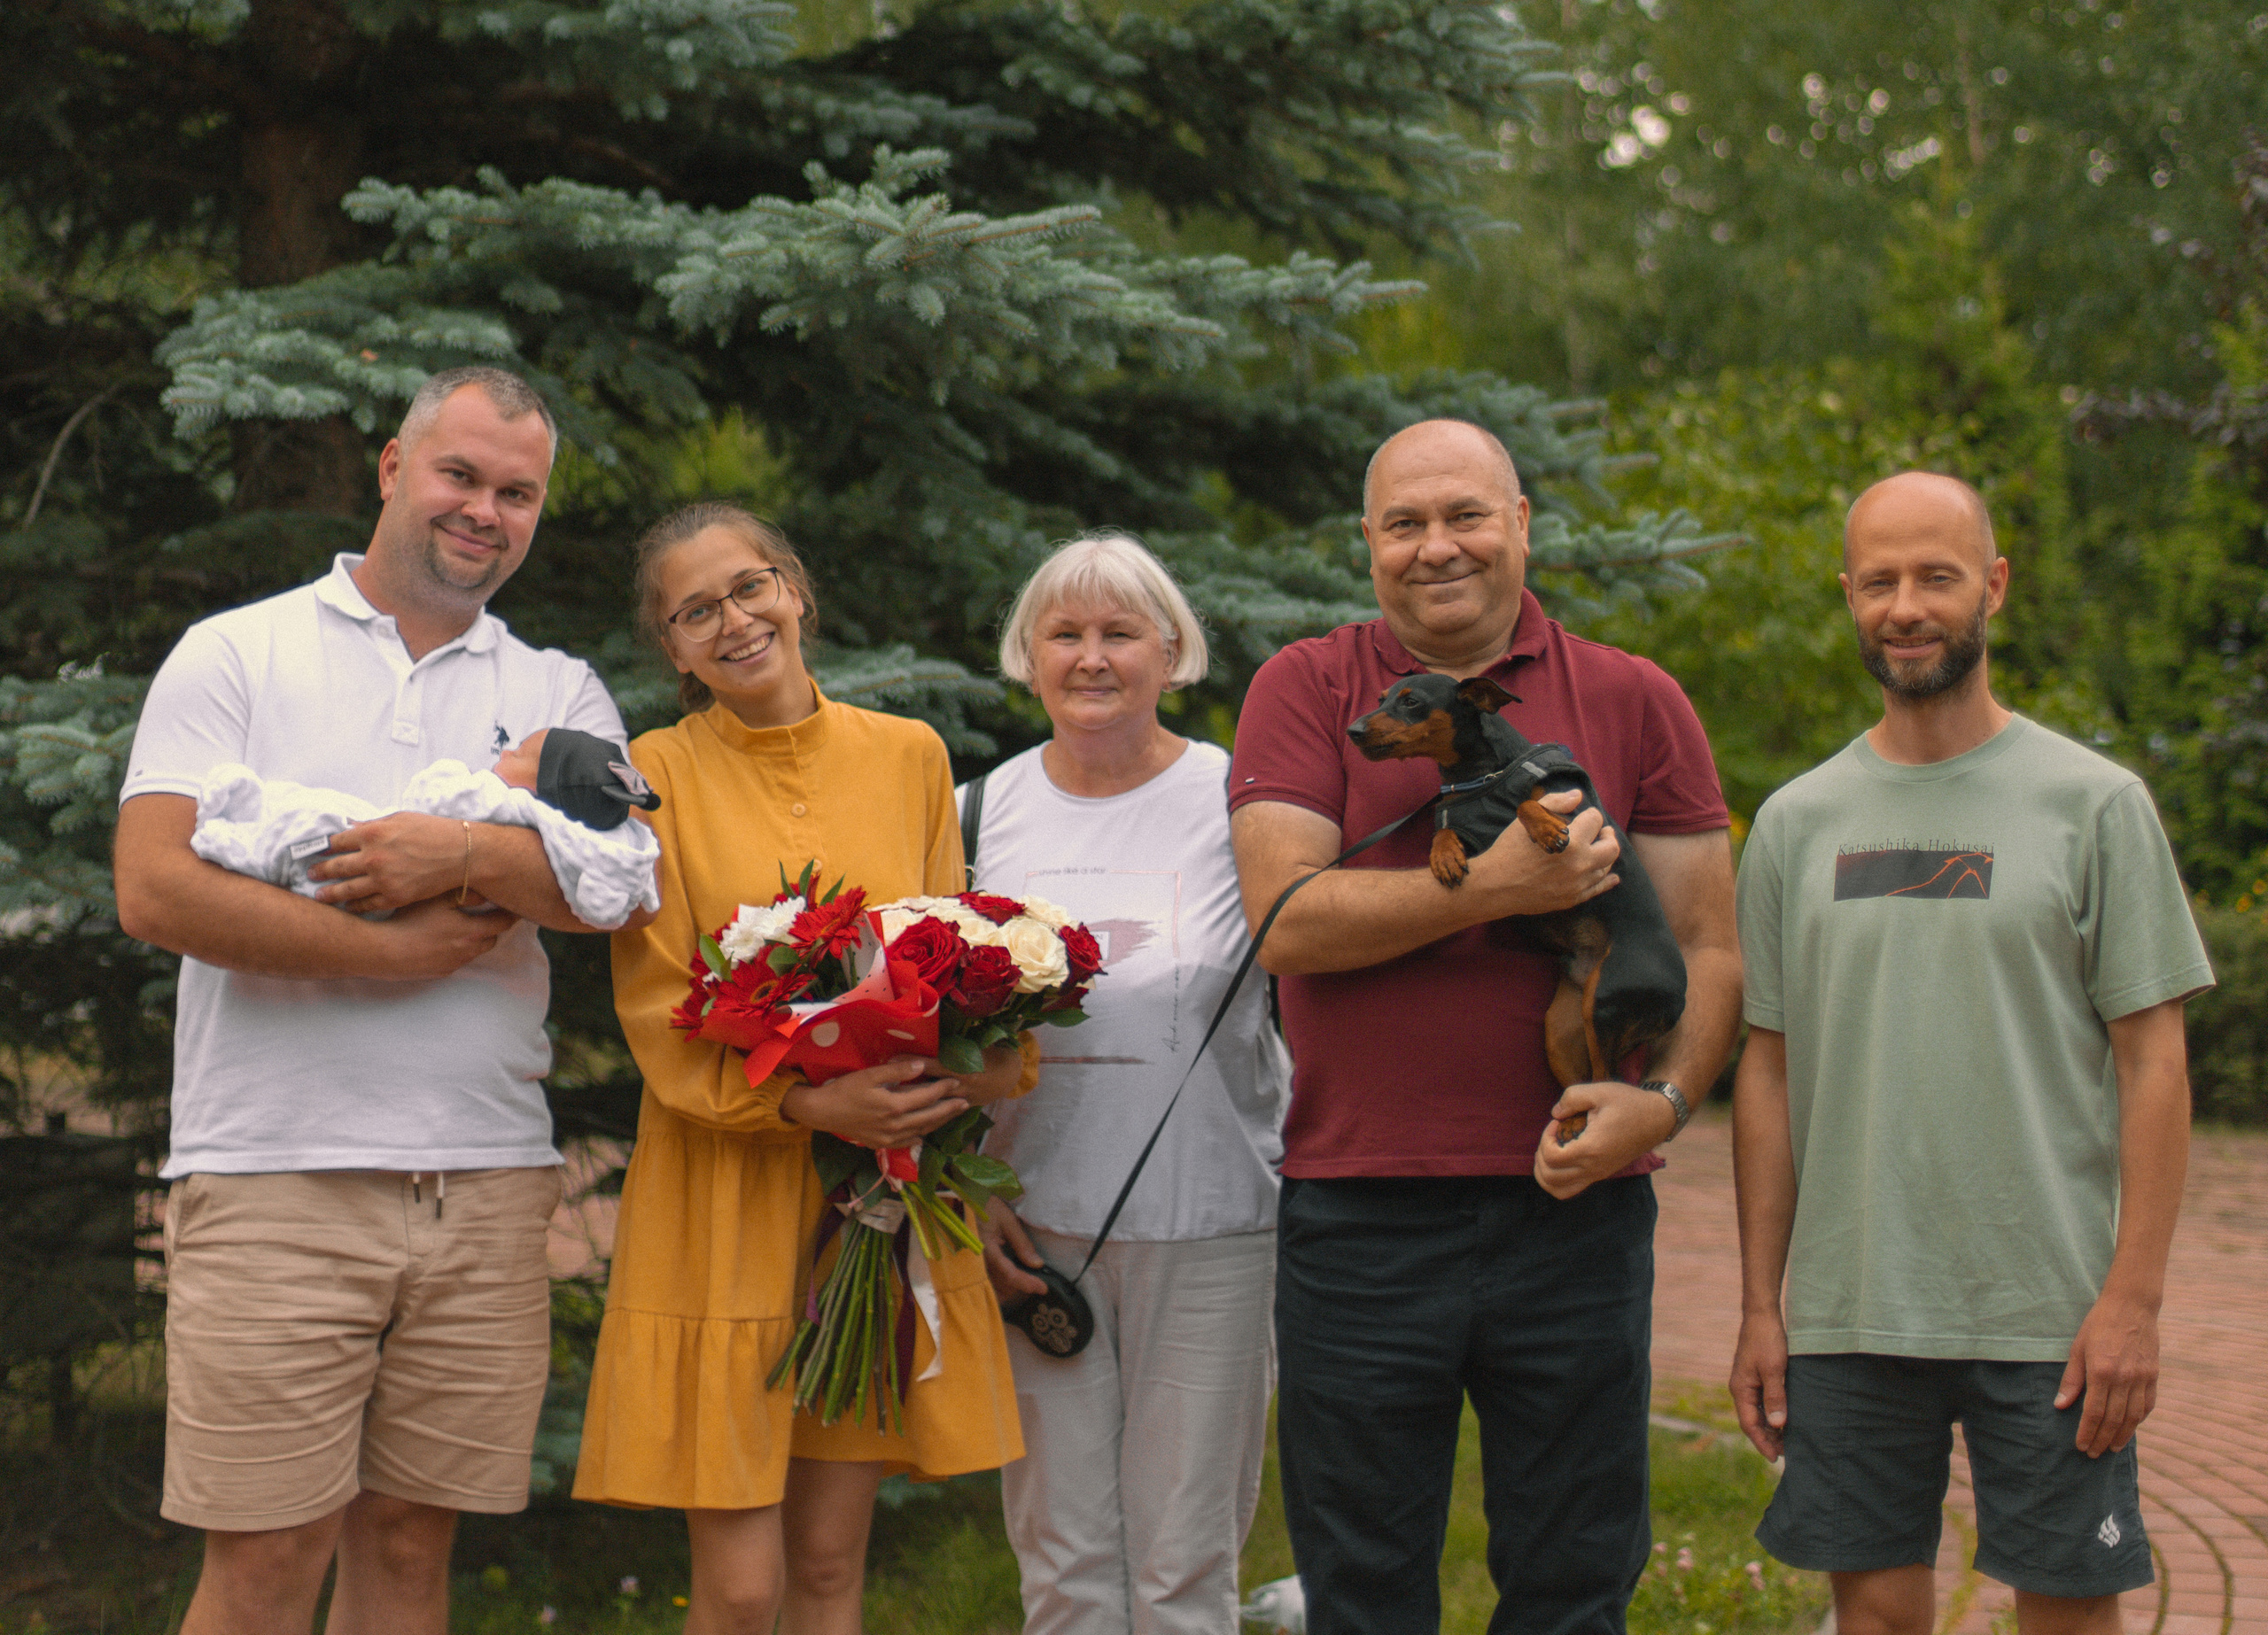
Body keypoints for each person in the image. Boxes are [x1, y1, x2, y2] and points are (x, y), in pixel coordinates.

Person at [113, 366, 641, 1635]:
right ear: (394, 468)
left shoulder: (559, 693)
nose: (486, 511)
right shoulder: (238, 650)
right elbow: (153, 886)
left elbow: (610, 880)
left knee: (408, 1548)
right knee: (266, 1559)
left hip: (485, 1181)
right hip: (276, 1172)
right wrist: (394, 953)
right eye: (461, 475)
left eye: (518, 494)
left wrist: (451, 856)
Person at [1227, 418, 1743, 1635]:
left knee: (1573, 1586)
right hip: (1358, 1213)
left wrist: (1660, 1103)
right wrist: (1501, 885)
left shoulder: (1633, 697)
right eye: (1403, 523)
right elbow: (1286, 917)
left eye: (1464, 514)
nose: (1434, 546)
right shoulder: (1307, 687)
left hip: (1574, 1212)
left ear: (1521, 525)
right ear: (1368, 543)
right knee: (1364, 1593)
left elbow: (1711, 947)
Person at [1728, 472, 2213, 1635]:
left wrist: (2133, 1301)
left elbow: (2155, 1062)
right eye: (1882, 580)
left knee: (2063, 1614)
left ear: (1991, 586)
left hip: (2047, 1308)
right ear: (1848, 594)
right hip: (1851, 1307)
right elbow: (1768, 1069)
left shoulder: (2094, 805)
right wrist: (1759, 1301)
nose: (1908, 605)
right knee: (1880, 1616)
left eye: (1936, 576)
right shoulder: (1797, 822)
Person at [572, 500, 1035, 1635]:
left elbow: (943, 947)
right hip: (722, 1192)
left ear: (795, 592)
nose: (733, 620)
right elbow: (657, 998)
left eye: (749, 586)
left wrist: (965, 1072)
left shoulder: (909, 755)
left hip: (866, 1194)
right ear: (672, 648)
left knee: (828, 1570)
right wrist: (800, 1095)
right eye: (696, 612)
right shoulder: (653, 774)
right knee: (739, 1591)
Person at [968, 531, 1291, 1635]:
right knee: (1062, 1563)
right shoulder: (981, 813)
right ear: (1029, 653)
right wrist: (967, 1198)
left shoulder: (1242, 800)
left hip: (1213, 1226)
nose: (1091, 657)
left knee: (1184, 1567)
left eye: (1119, 633)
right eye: (1065, 633)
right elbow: (933, 1034)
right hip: (1033, 1234)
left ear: (1171, 651)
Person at [188, 726, 662, 929]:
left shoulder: (500, 803)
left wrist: (464, 845)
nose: (500, 756)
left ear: (537, 793)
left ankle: (238, 840)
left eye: (514, 755)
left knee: (310, 826)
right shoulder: (565, 841)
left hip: (375, 863)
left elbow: (430, 797)